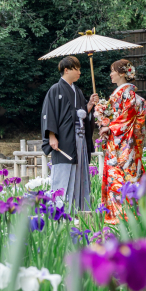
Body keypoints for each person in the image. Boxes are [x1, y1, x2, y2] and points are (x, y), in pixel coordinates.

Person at [41, 55, 97, 211]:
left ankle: (79, 211)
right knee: (63, 174)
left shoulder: (77, 91)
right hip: (64, 140)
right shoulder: (55, 90)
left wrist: (90, 105)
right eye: (77, 69)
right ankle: (59, 212)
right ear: (66, 70)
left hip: (79, 140)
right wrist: (52, 136)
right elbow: (49, 113)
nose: (79, 72)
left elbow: (80, 113)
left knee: (79, 173)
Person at [94, 58, 146, 224]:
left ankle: (122, 218)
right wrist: (100, 111)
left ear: (122, 73)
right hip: (122, 144)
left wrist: (108, 126)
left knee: (120, 179)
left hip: (122, 146)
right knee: (122, 178)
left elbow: (125, 118)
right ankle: (128, 217)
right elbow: (114, 116)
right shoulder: (125, 94)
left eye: (113, 71)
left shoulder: (127, 94)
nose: (110, 74)